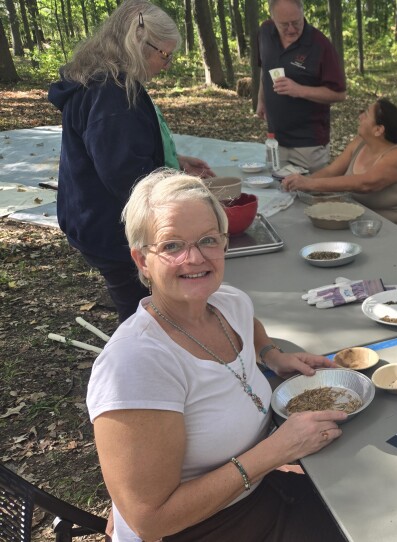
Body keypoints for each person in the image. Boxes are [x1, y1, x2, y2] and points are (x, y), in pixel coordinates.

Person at [87, 169, 347, 542]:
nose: (195, 258)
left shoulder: (228, 303)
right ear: (142, 260)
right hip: (196, 528)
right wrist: (276, 451)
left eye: (208, 240)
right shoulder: (136, 364)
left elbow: (250, 324)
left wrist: (273, 355)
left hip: (258, 491)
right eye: (172, 245)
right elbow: (150, 520)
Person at [48, 0, 215, 323]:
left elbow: (119, 151)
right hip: (112, 229)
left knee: (146, 308)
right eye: (164, 55)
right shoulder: (111, 95)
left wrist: (174, 162)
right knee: (145, 315)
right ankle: (145, 367)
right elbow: (129, 178)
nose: (166, 65)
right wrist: (186, 195)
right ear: (138, 44)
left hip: (96, 218)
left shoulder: (104, 82)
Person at [280, 98, 397, 233]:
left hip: (396, 232)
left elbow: (365, 184)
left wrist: (310, 184)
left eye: (366, 115)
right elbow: (331, 171)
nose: (360, 117)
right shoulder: (360, 141)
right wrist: (300, 183)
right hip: (359, 224)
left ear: (378, 130)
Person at [256, 0, 346, 172]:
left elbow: (339, 94)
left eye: (296, 22)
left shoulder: (320, 45)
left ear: (303, 13)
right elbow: (264, 69)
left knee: (311, 195)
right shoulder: (265, 32)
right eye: (284, 25)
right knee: (278, 193)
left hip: (308, 144)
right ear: (272, 18)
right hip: (275, 138)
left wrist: (299, 90)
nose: (291, 29)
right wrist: (262, 100)